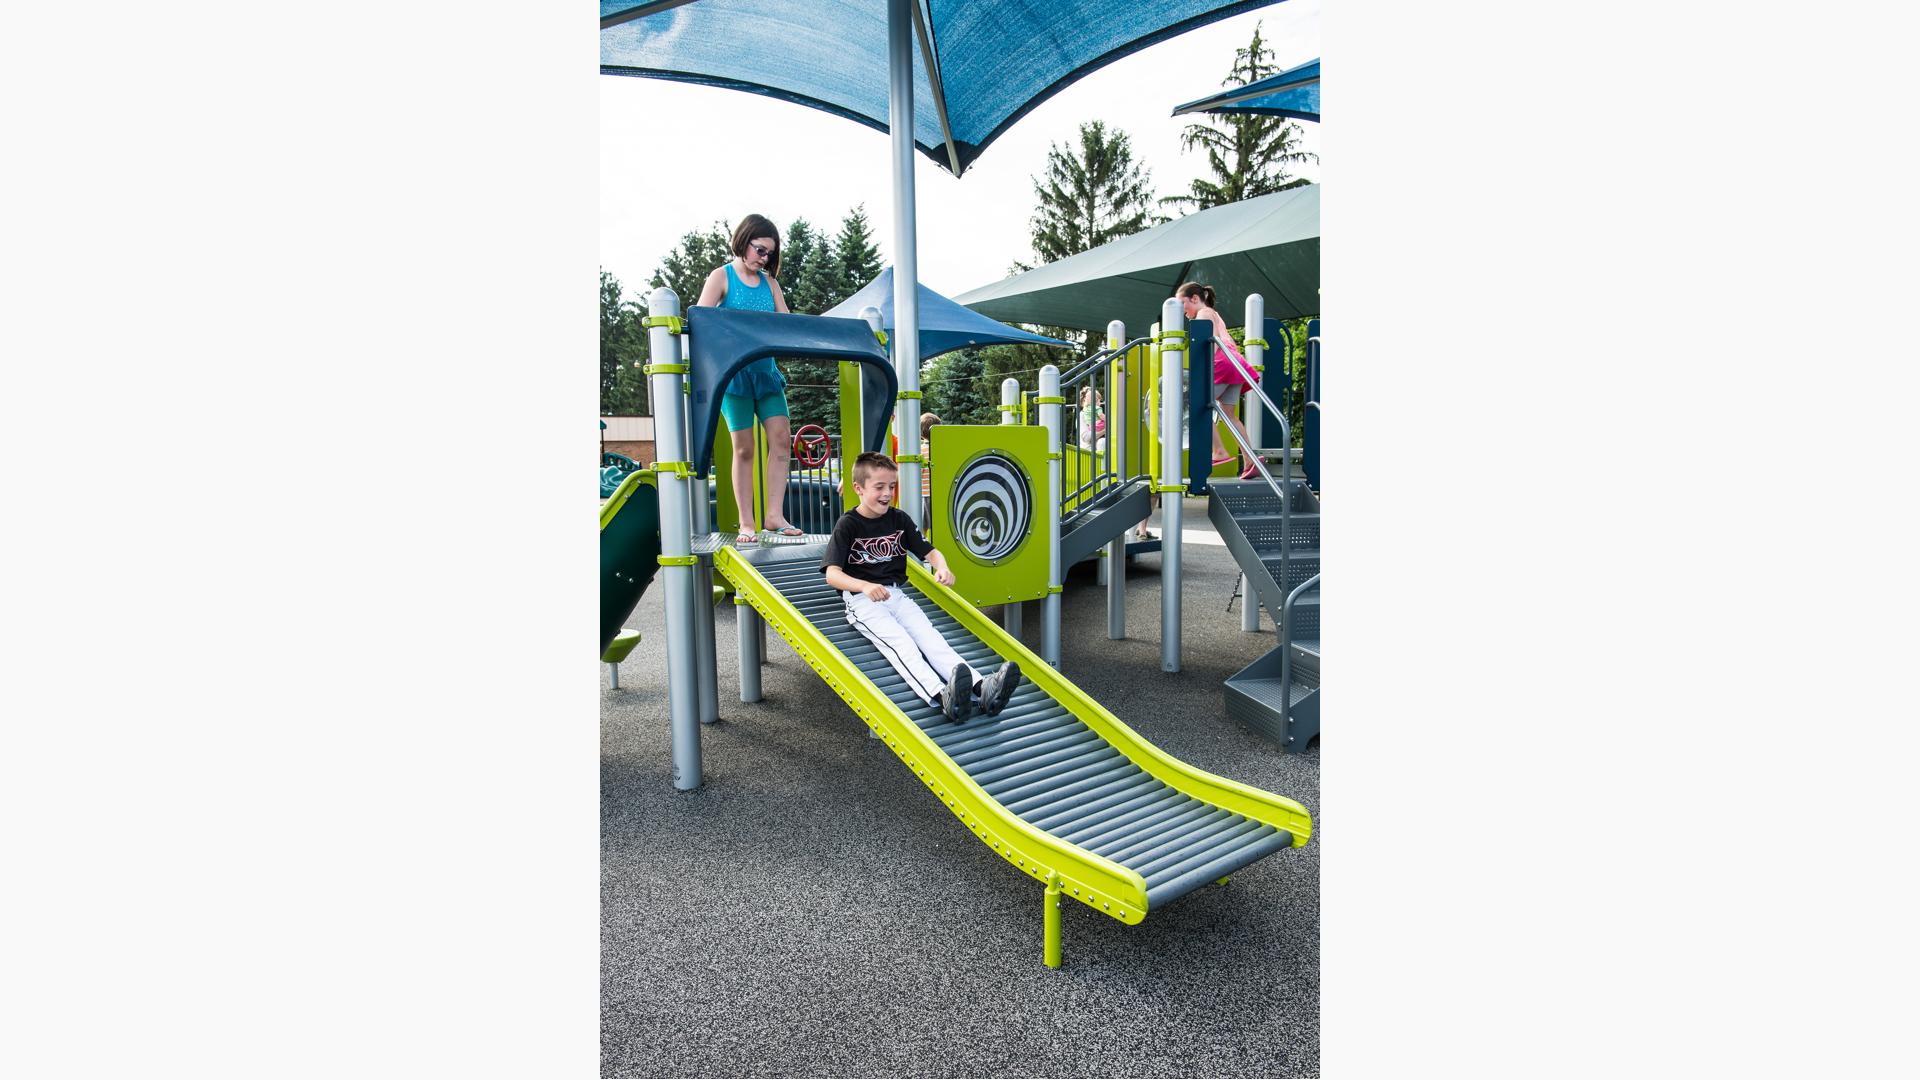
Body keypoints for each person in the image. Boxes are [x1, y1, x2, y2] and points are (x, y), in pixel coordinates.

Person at [822, 451, 1022, 723]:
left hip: (897, 594)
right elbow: (832, 574)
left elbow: (929, 551)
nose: (887, 493)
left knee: (932, 640)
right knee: (902, 644)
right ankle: (943, 696)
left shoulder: (899, 519)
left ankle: (981, 688)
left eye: (891, 486)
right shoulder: (848, 524)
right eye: (879, 487)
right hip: (862, 601)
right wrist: (865, 585)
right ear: (858, 488)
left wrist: (942, 567)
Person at [696, 214, 803, 545]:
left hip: (766, 375)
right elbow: (701, 321)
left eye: (770, 253)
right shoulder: (722, 277)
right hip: (735, 378)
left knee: (782, 439)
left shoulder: (770, 283)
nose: (764, 258)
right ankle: (747, 522)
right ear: (743, 242)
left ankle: (774, 515)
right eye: (760, 250)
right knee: (744, 449)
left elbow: (785, 322)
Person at [1177, 282, 1262, 480]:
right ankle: (1250, 460)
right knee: (1228, 414)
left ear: (1195, 299)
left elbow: (1211, 342)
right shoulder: (1214, 314)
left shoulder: (1203, 314)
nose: (1182, 311)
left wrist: (1206, 370)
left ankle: (1219, 451)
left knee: (1197, 406)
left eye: (1182, 304)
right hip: (1234, 362)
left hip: (1222, 362)